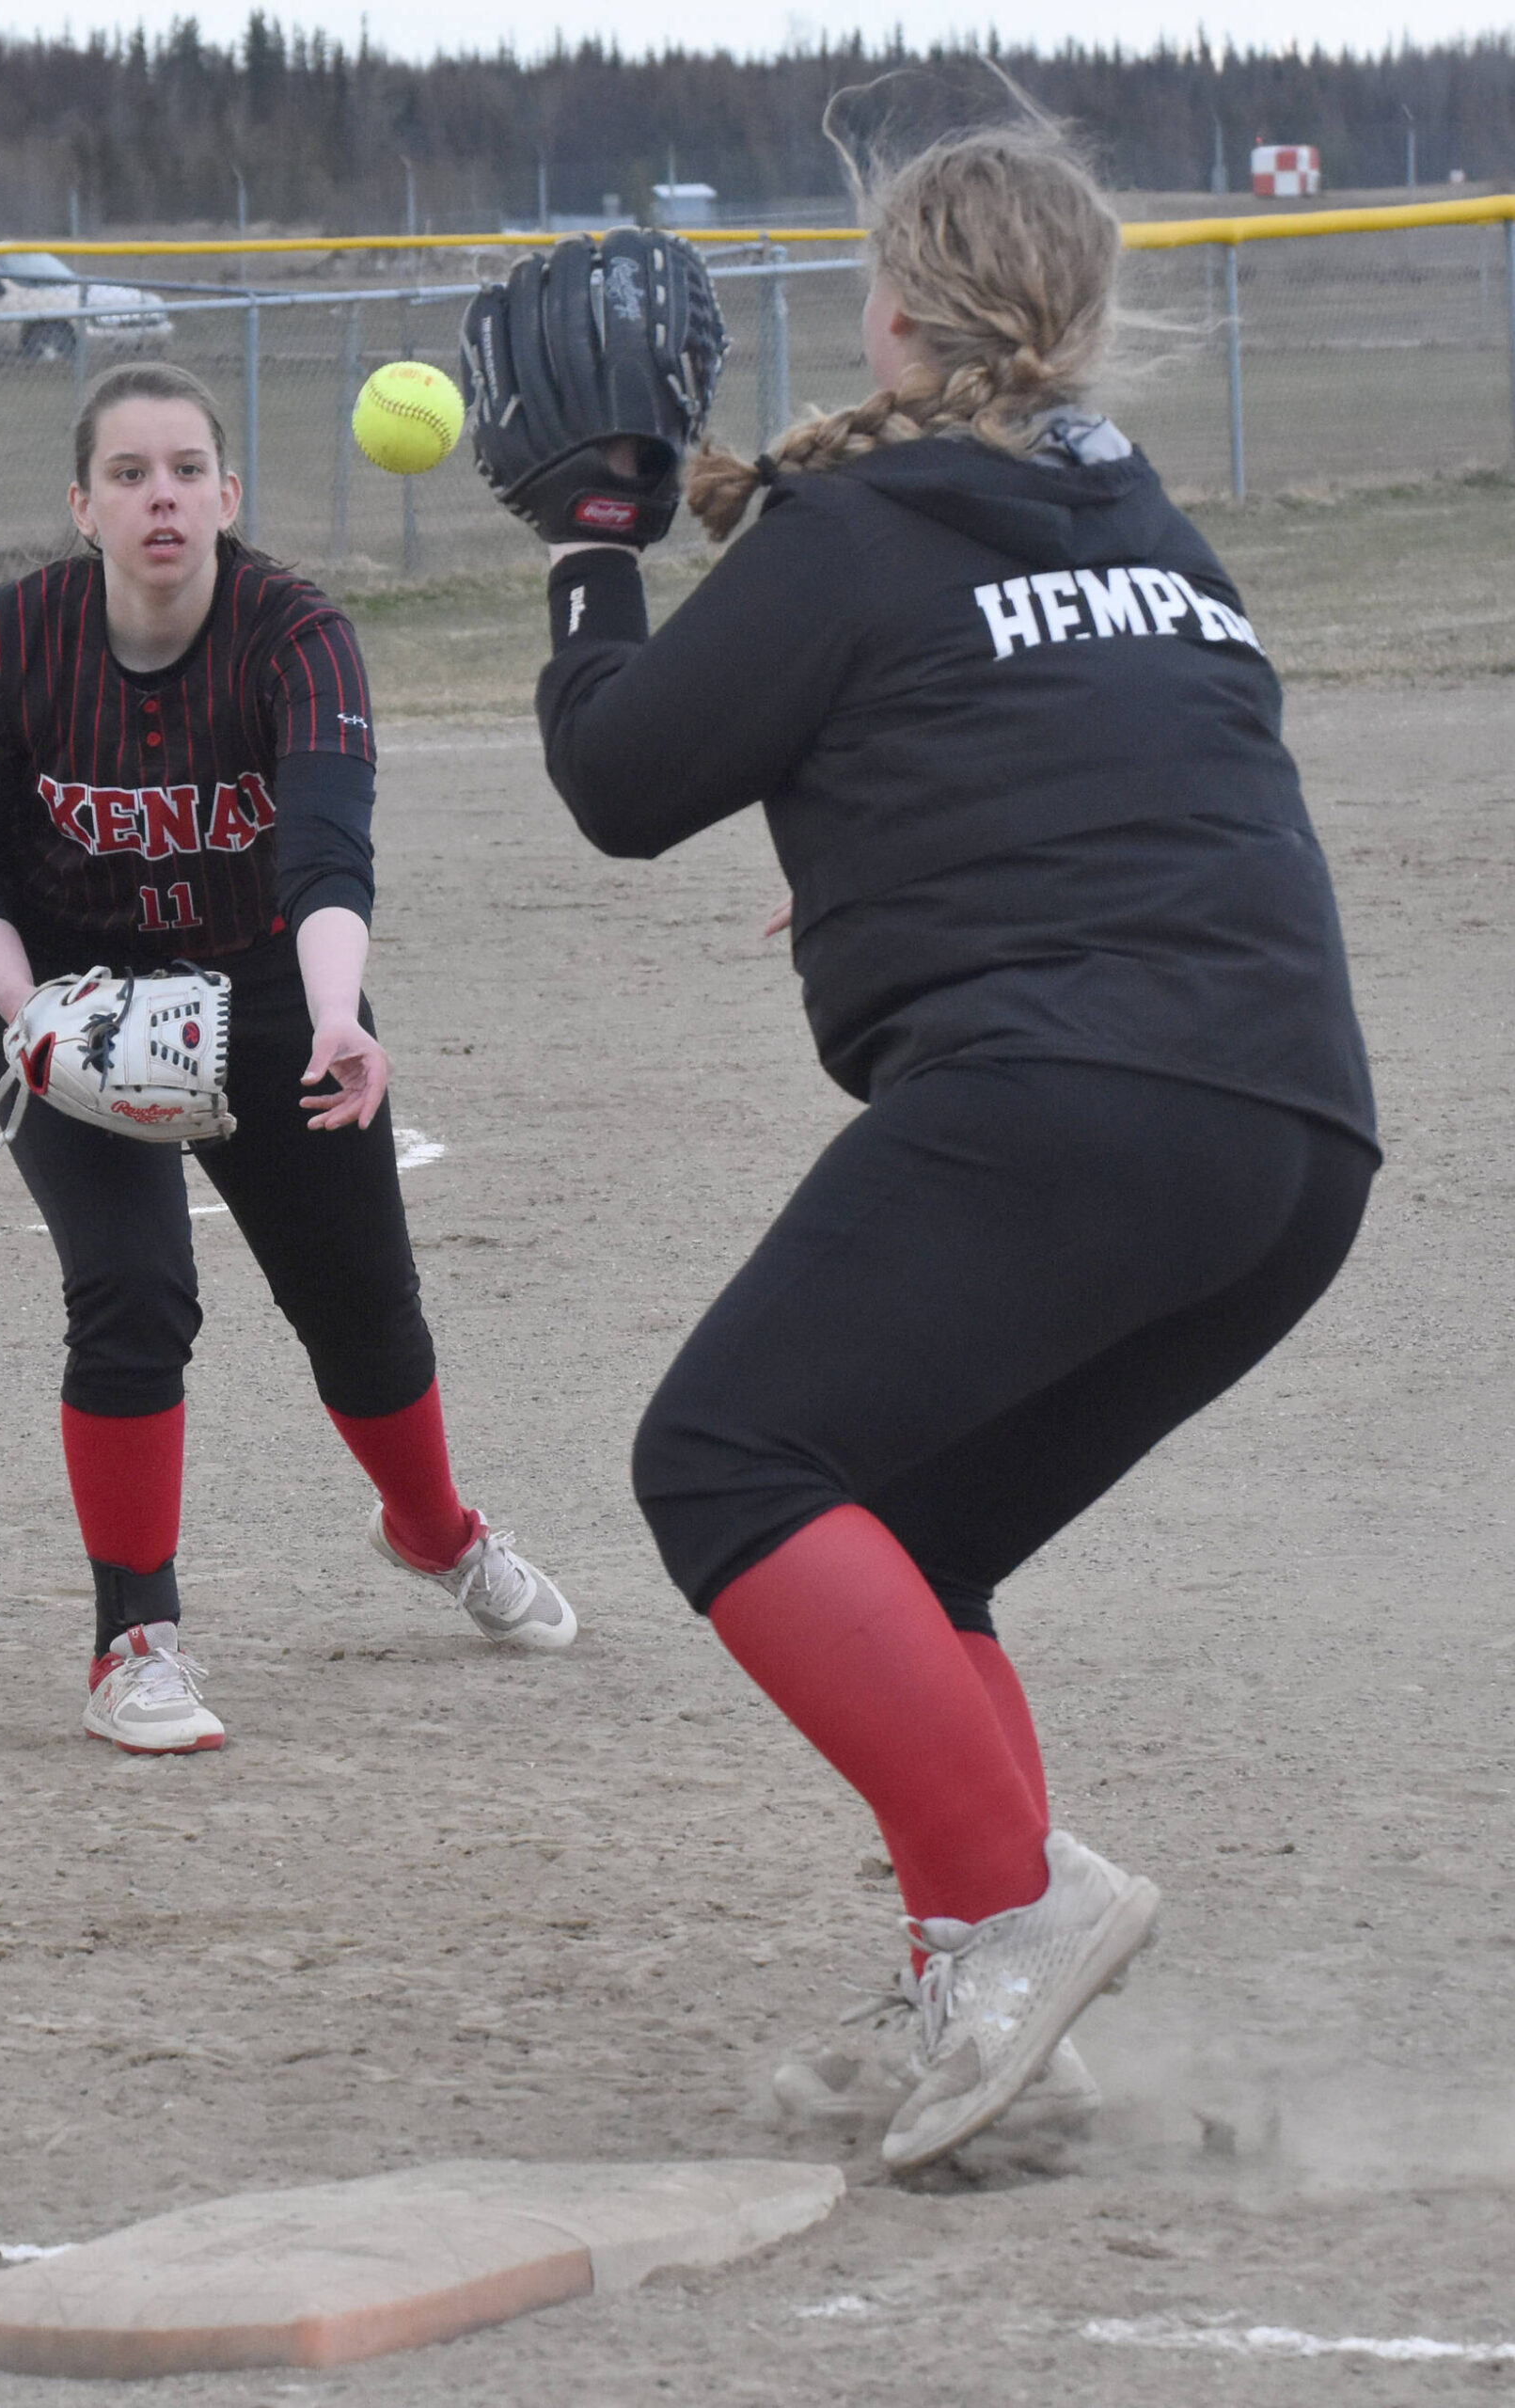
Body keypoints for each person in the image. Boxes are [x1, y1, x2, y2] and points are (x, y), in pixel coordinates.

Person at [507, 99, 1378, 2168]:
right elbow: (1101, 759)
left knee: (722, 1457)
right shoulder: (1145, 522)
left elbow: (624, 778)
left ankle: (1014, 1905)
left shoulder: (860, 526)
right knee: (899, 1533)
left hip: (1071, 1093)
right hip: (1290, 1143)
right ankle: (997, 2013)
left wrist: (586, 552)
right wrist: (894, 855)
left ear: (887, 310)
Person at [0, 360, 575, 1756]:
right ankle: (135, 1641)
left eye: (189, 469)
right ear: (82, 505)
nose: (164, 496)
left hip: (269, 990)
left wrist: (338, 1013)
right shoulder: (11, 639)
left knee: (364, 1315)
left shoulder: (297, 634)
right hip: (68, 1002)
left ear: (229, 493)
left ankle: (437, 1532)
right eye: (132, 474)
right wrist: (26, 1012)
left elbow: (328, 847)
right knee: (134, 1291)